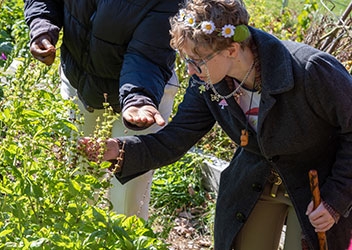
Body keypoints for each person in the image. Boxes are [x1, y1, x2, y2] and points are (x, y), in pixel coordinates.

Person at [79, 0, 352, 249]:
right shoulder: (208, 81)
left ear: (232, 49)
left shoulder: (311, 69)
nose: (189, 70)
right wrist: (120, 150)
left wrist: (335, 200)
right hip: (254, 178)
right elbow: (177, 137)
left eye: (196, 61)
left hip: (317, 184)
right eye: (186, 60)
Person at [24, 0, 184, 220]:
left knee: (127, 201)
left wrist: (138, 98)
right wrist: (42, 25)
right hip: (82, 83)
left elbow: (149, 54)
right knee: (79, 182)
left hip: (144, 96)